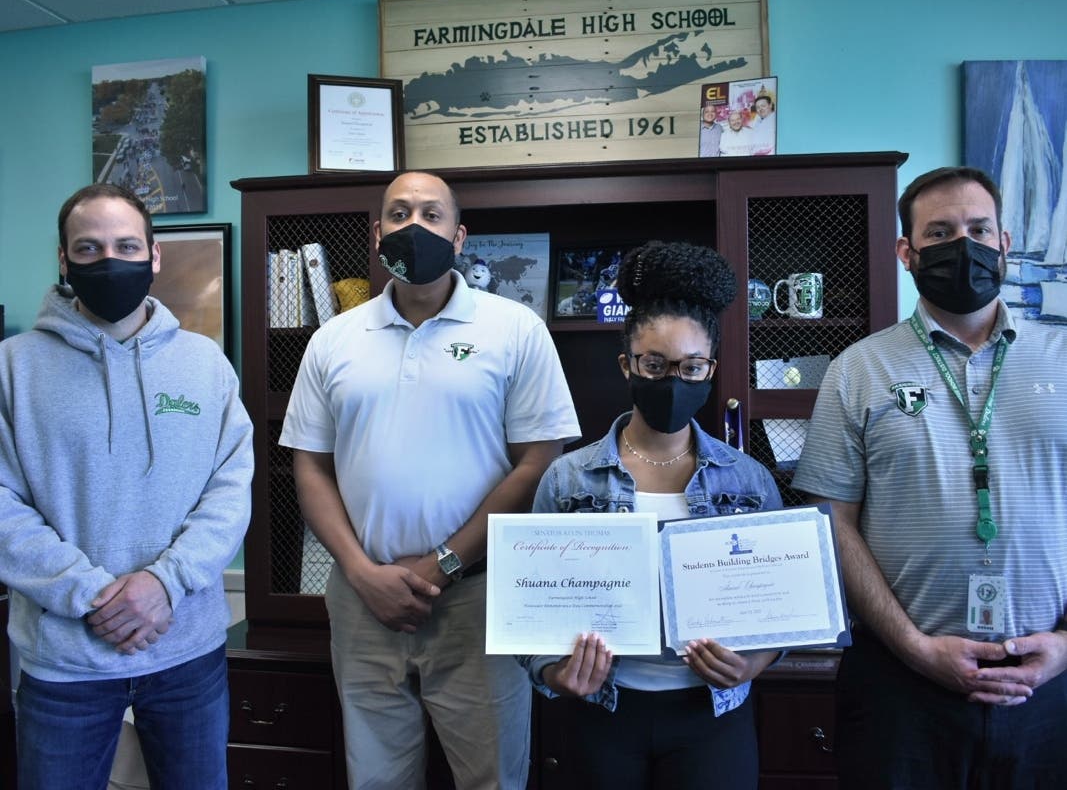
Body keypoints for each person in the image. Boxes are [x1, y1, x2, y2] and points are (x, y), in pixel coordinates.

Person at [279, 170, 581, 790]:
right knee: (377, 779)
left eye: (431, 214)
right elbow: (310, 465)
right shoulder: (333, 340)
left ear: (459, 237)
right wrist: (362, 573)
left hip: (478, 596)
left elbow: (538, 461)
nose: (413, 225)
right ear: (378, 234)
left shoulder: (515, 329)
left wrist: (442, 564)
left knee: (492, 778)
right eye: (399, 213)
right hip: (363, 598)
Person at [792, 166, 1067, 789]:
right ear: (906, 252)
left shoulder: (1061, 358)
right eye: (940, 233)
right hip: (900, 689)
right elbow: (831, 520)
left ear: (1004, 242)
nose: (963, 246)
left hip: (1049, 684)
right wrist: (914, 648)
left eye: (979, 229)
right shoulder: (857, 369)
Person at [0, 183, 254, 790]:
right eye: (89, 248)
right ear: (63, 260)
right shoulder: (12, 367)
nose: (109, 260)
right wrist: (93, 596)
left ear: (154, 255)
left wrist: (165, 583)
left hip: (188, 654)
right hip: (65, 664)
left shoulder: (205, 364)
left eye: (126, 246)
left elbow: (230, 488)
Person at [518, 241, 784, 789]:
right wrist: (554, 671)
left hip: (712, 716)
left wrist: (753, 662)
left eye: (692, 367)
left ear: (710, 369)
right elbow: (525, 609)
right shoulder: (568, 479)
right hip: (603, 712)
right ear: (628, 365)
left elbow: (782, 606)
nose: (673, 382)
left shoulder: (749, 480)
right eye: (655, 365)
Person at [748, 87, 777, 155]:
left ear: (770, 105)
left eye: (763, 106)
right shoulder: (758, 119)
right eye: (758, 107)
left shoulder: (775, 120)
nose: (760, 109)